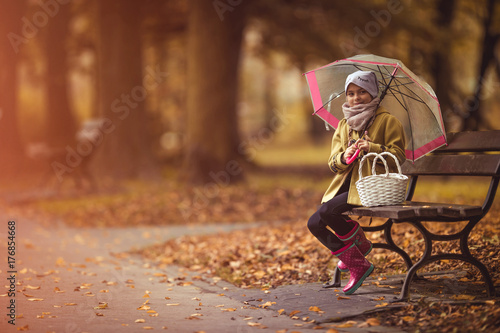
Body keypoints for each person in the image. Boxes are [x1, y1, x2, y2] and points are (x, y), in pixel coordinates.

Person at [307, 70, 406, 295]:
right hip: (346, 186)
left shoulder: (388, 121)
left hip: (373, 188)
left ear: (373, 93)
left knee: (327, 213)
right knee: (314, 222)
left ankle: (357, 262)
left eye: (362, 92)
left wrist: (373, 148)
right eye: (350, 93)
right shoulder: (344, 125)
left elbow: (399, 156)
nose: (356, 97)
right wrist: (345, 155)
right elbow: (333, 163)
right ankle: (357, 250)